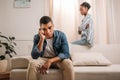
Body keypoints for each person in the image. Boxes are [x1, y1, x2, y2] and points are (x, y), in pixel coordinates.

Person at [27, 16, 74, 80]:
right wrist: (41, 39)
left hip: (57, 59)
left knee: (69, 63)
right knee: (32, 64)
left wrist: (50, 61)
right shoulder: (37, 37)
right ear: (40, 29)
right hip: (42, 59)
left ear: (53, 26)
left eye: (49, 28)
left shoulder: (61, 35)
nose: (48, 31)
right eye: (44, 29)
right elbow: (34, 56)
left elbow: (66, 53)